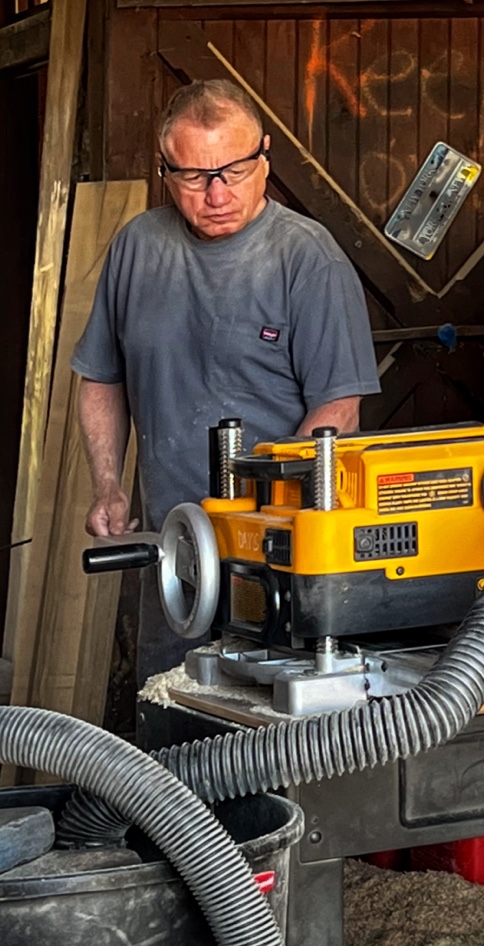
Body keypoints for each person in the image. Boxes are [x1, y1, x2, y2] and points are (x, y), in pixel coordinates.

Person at [73, 78, 381, 681]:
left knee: (262, 738)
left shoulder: (307, 260)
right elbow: (101, 378)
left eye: (235, 170)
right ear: (165, 171)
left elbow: (338, 411)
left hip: (276, 560)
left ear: (265, 157)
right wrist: (107, 484)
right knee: (169, 711)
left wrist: (257, 518)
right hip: (176, 552)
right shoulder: (137, 247)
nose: (216, 194)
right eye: (194, 176)